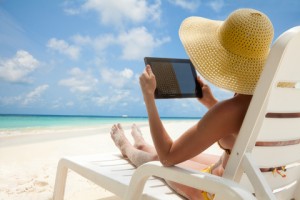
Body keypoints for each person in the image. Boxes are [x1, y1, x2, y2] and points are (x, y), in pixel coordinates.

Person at [110, 8, 274, 200]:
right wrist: (211, 102)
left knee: (159, 160)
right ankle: (143, 143)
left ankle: (128, 148)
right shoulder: (278, 100)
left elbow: (167, 156)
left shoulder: (231, 110)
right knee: (189, 156)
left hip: (222, 193)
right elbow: (241, 128)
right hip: (264, 183)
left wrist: (148, 97)